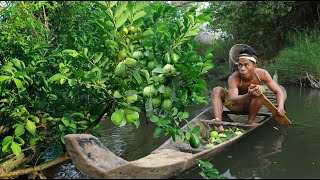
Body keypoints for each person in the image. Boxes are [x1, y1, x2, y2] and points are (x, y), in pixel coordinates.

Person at [211, 47, 286, 132]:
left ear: (254, 66)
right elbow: (233, 101)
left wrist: (280, 106)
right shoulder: (234, 78)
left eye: (246, 65)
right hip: (236, 105)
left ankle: (250, 121)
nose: (242, 69)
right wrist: (248, 95)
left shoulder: (263, 74)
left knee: (259, 90)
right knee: (217, 90)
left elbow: (278, 91)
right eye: (240, 65)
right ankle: (219, 124)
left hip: (251, 106)